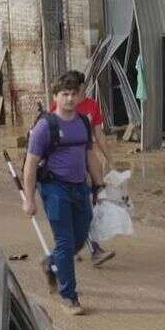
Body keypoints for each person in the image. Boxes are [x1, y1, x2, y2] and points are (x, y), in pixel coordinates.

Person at [21, 70, 106, 316]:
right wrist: (29, 200)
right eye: (64, 94)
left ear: (80, 96)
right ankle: (69, 295)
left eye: (73, 94)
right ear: (56, 97)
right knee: (65, 242)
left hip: (80, 187)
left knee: (81, 234)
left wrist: (99, 184)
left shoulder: (82, 123)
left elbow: (89, 154)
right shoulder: (45, 127)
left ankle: (52, 264)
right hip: (54, 188)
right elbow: (30, 164)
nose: (69, 99)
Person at [47, 80, 116, 268]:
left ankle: (88, 248)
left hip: (87, 162)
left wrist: (109, 160)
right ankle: (73, 249)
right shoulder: (58, 108)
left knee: (88, 209)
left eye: (78, 91)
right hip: (64, 171)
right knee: (71, 212)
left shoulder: (92, 107)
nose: (73, 97)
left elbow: (98, 136)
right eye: (69, 93)